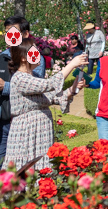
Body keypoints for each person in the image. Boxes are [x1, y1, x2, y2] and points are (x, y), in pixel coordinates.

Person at [4, 39, 86, 172]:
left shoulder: (33, 75)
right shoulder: (19, 78)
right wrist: (71, 65)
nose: (37, 54)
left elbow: (50, 98)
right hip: (27, 132)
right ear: (23, 58)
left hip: (40, 133)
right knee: (24, 167)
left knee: (41, 168)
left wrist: (72, 90)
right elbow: (48, 85)